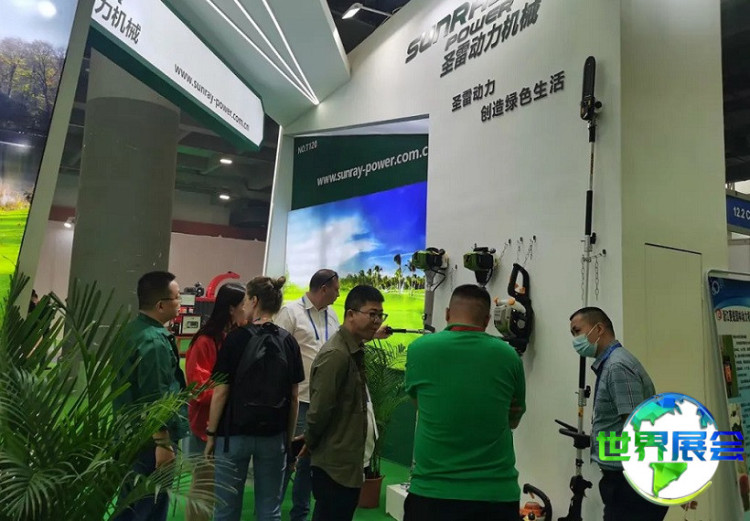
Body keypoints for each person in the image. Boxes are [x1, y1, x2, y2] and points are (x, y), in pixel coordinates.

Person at [402, 284, 526, 521]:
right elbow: (513, 418)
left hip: (431, 495)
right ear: (487, 320)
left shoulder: (419, 350)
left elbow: (419, 405)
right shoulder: (509, 356)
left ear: (447, 313)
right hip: (495, 497)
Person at [205, 276, 304, 521]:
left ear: (255, 300)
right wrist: (287, 439)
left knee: (225, 510)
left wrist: (211, 434)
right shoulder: (289, 342)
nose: (245, 304)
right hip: (273, 436)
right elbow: (294, 398)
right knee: (270, 510)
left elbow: (221, 391)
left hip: (233, 435)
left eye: (247, 299)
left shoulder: (235, 339)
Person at [568, 307, 668, 521]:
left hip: (631, 486)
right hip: (625, 483)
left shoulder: (617, 366)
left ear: (599, 329)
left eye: (577, 331)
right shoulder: (612, 364)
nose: (575, 340)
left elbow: (637, 428)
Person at [303, 285, 385, 521]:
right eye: (372, 314)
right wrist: (310, 442)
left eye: (380, 315)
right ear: (351, 314)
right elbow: (319, 411)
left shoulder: (353, 350)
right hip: (334, 466)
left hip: (348, 463)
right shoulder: (337, 355)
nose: (377, 321)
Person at [113, 271, 188, 521]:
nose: (180, 302)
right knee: (144, 507)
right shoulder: (154, 342)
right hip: (149, 441)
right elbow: (155, 397)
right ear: (161, 305)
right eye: (177, 297)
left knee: (135, 502)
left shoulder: (132, 331)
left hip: (131, 434)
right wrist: (162, 443)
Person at [275, 269, 341, 521]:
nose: (338, 294)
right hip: (298, 400)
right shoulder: (290, 312)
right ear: (324, 288)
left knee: (308, 461)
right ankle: (270, 511)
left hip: (323, 401)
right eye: (336, 289)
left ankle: (300, 514)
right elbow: (276, 351)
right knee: (288, 458)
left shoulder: (332, 315)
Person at [184, 283, 249, 521]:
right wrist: (230, 392)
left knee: (219, 491)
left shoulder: (234, 337)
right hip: (205, 427)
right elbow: (198, 389)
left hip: (226, 426)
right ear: (231, 308)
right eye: (244, 305)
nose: (247, 309)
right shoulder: (205, 341)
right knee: (204, 488)